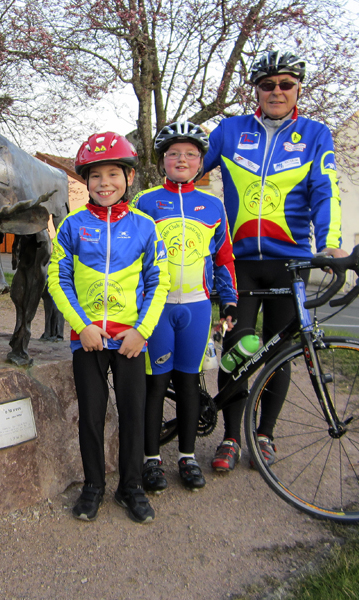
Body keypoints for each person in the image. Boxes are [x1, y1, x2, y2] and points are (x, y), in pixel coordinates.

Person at [204, 50, 345, 472]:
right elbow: (187, 168)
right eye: (268, 85)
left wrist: (332, 243)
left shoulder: (316, 134)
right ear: (256, 91)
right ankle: (230, 436)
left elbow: (326, 190)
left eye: (286, 84)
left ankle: (264, 435)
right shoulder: (229, 131)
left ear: (298, 88)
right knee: (236, 349)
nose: (277, 91)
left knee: (279, 352)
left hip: (291, 263)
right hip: (239, 262)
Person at [48, 132, 169, 524]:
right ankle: (93, 486)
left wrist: (142, 330)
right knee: (92, 415)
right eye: (96, 176)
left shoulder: (146, 226)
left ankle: (130, 487)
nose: (105, 183)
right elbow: (58, 279)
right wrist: (82, 326)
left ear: (129, 177)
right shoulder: (71, 225)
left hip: (131, 339)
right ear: (85, 181)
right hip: (89, 341)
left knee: (134, 415)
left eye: (113, 174)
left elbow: (158, 283)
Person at [133, 121, 237, 492]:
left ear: (200, 162)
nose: (182, 159)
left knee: (190, 385)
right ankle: (150, 459)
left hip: (195, 307)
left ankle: (187, 457)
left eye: (190, 154)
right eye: (174, 153)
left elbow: (224, 258)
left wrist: (229, 299)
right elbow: (132, 255)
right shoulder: (145, 201)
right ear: (162, 160)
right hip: (156, 309)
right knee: (156, 385)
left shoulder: (213, 205)